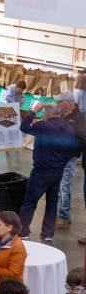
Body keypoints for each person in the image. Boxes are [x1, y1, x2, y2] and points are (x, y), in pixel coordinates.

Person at [19, 101, 79, 241]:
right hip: (58, 172)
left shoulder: (43, 126)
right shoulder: (69, 129)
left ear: (48, 114)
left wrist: (33, 111)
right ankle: (47, 233)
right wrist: (61, 162)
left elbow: (24, 126)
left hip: (41, 171)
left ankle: (24, 231)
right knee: (52, 202)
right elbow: (74, 150)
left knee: (30, 201)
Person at [56, 91, 86, 230]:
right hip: (58, 156)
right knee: (57, 186)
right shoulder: (63, 115)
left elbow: (81, 141)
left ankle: (64, 217)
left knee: (64, 186)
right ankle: (58, 214)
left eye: (59, 101)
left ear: (68, 103)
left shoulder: (79, 118)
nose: (57, 104)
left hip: (68, 158)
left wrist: (71, 153)